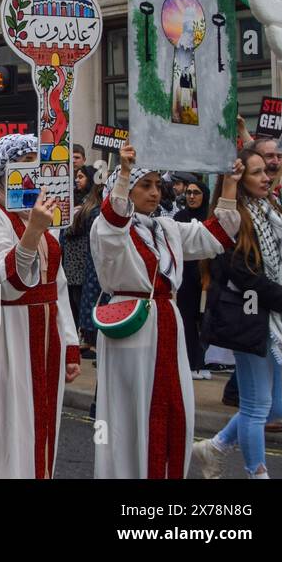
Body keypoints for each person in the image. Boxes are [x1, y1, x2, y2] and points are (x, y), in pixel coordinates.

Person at [90, 143, 242, 479]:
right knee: (130, 411)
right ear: (126, 188)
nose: (155, 192)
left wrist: (229, 183)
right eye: (146, 185)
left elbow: (213, 235)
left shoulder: (166, 228)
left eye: (158, 185)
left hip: (166, 323)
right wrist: (126, 172)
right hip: (130, 325)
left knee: (171, 406)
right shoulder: (107, 228)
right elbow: (114, 219)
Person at [0, 135, 78, 478]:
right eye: (24, 161)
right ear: (2, 171)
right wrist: (32, 233)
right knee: (8, 425)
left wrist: (70, 342)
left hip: (45, 334)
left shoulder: (40, 214)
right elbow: (4, 280)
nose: (33, 170)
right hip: (6, 331)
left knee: (42, 422)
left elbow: (56, 286)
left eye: (36, 161)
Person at [193, 150, 282, 479]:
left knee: (279, 407)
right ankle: (258, 474)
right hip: (251, 318)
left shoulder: (273, 212)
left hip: (279, 322)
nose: (266, 177)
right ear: (239, 182)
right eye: (256, 173)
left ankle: (216, 445)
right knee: (256, 407)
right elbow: (245, 275)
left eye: (266, 172)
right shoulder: (235, 220)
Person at [172, 178, 211, 380]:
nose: (192, 197)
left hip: (207, 275)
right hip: (186, 275)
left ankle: (203, 360)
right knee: (186, 318)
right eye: (188, 193)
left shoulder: (209, 216)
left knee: (205, 319)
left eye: (196, 193)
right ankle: (190, 360)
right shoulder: (180, 217)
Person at [69, 168, 105, 362]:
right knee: (78, 301)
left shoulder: (94, 208)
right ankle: (84, 337)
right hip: (78, 263)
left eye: (82, 177)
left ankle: (91, 340)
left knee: (88, 300)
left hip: (84, 261)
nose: (77, 180)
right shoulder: (82, 202)